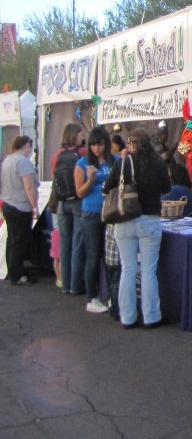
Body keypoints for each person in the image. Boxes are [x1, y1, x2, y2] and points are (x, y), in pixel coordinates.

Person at [103, 128, 171, 329]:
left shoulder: (122, 163)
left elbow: (107, 189)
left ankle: (128, 317)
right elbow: (166, 188)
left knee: (128, 269)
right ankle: (151, 316)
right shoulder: (158, 164)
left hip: (124, 220)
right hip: (149, 220)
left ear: (131, 144)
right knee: (149, 270)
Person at [75, 127, 117, 313]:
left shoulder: (115, 160)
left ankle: (110, 296)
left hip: (111, 213)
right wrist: (91, 178)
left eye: (99, 144)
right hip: (91, 213)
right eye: (92, 144)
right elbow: (80, 193)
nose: (96, 148)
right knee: (93, 256)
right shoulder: (82, 163)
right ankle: (92, 298)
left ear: (106, 144)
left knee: (110, 258)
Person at [52, 123, 87, 295]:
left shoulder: (56, 155)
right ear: (75, 135)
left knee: (64, 244)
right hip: (77, 200)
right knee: (77, 242)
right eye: (81, 134)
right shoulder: (81, 154)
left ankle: (64, 283)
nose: (83, 137)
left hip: (61, 201)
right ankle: (75, 285)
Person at [1, 136, 39, 285]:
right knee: (19, 242)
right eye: (31, 146)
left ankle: (13, 271)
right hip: (21, 206)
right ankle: (17, 274)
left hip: (8, 204)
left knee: (12, 239)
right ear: (26, 145)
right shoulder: (23, 162)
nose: (31, 150)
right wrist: (35, 206)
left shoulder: (7, 160)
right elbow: (29, 187)